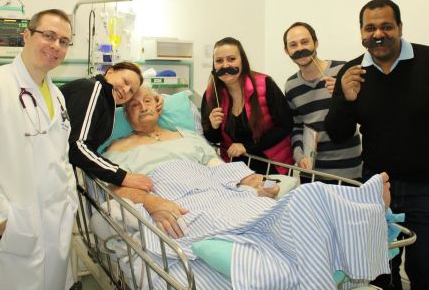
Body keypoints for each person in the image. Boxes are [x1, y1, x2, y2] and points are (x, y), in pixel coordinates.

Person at [103, 85, 393, 289]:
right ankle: (313, 264)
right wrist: (153, 203)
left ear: (158, 105)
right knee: (286, 211)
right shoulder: (118, 148)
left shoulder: (187, 137)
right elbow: (116, 188)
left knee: (302, 197)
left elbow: (216, 165)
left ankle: (360, 210)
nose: (142, 107)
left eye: (147, 100)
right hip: (178, 202)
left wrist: (251, 182)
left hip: (219, 192)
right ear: (125, 115)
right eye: (133, 106)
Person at [325, 0, 429, 290]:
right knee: (379, 273)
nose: (378, 34)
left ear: (400, 27)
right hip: (377, 190)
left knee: (426, 271)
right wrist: (345, 99)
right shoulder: (353, 73)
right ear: (361, 32)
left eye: (387, 26)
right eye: (370, 28)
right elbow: (338, 133)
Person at [0, 9, 78, 290]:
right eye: (49, 35)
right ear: (26, 35)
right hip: (12, 221)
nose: (56, 46)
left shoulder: (57, 95)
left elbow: (60, 154)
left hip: (55, 219)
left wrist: (70, 199)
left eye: (64, 41)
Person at [201, 37, 294, 174]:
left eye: (231, 59)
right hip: (235, 170)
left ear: (242, 61)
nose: (225, 65)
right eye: (219, 61)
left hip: (273, 166)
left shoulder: (265, 84)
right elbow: (213, 139)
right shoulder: (210, 94)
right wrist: (213, 127)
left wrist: (247, 147)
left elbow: (285, 125)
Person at [283, 22, 363, 181]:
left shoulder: (343, 70)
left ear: (316, 43)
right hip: (311, 173)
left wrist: (342, 96)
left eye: (305, 42)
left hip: (348, 171)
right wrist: (298, 155)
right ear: (287, 51)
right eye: (293, 45)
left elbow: (363, 112)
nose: (300, 48)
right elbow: (296, 126)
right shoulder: (291, 85)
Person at [60, 62, 156, 193]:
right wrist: (122, 176)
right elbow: (76, 146)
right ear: (110, 71)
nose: (126, 90)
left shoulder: (106, 99)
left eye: (131, 91)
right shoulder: (93, 89)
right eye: (125, 81)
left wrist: (158, 99)